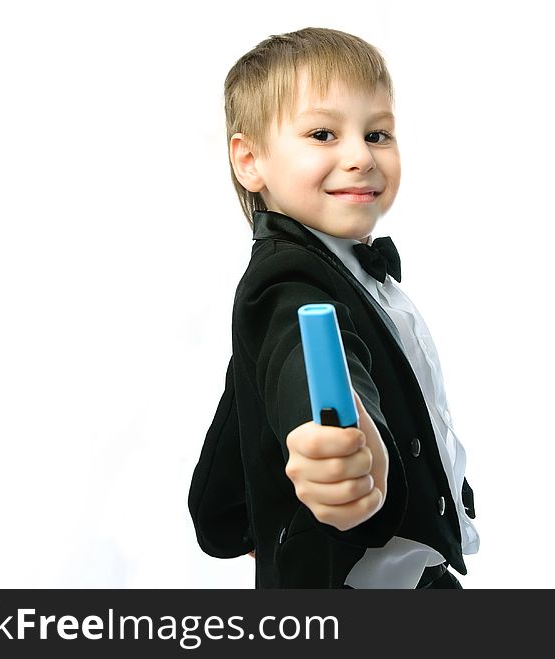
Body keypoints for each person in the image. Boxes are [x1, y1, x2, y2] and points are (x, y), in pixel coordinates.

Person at [188, 26, 479, 589]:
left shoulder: (342, 266)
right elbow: (304, 360)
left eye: (377, 134)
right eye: (322, 133)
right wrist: (342, 445)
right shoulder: (288, 282)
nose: (359, 157)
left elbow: (248, 393)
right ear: (250, 161)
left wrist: (228, 517)